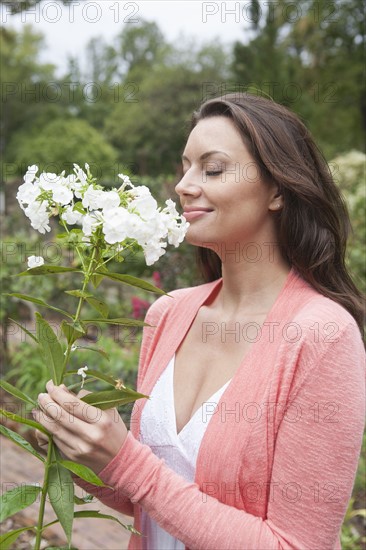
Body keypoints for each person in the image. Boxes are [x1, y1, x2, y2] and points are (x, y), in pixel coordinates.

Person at [34, 93, 365, 549]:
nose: (185, 186)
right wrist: (85, 449)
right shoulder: (169, 313)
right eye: (185, 167)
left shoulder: (322, 336)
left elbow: (296, 544)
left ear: (278, 190)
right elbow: (151, 502)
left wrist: (129, 462)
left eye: (212, 169)